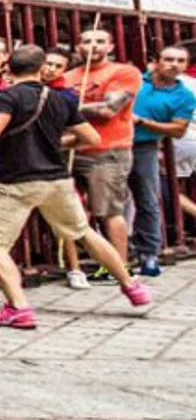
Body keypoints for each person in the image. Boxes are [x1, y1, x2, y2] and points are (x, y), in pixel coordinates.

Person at [0, 45, 150, 328]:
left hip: (18, 182)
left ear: (7, 68)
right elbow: (92, 138)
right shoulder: (62, 99)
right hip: (57, 181)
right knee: (83, 232)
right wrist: (56, 143)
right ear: (41, 69)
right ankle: (131, 286)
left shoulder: (6, 96)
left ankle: (18, 307)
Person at [71, 28, 143, 276]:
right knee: (77, 210)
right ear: (77, 46)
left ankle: (119, 265)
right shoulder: (70, 76)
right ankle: (99, 260)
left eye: (100, 41)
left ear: (111, 46)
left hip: (107, 149)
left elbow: (108, 110)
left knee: (108, 210)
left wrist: (71, 105)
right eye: (87, 41)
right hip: (71, 148)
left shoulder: (124, 72)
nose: (93, 46)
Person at [128, 44, 195, 276]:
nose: (174, 64)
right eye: (169, 59)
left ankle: (149, 254)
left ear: (186, 66)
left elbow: (178, 130)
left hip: (144, 146)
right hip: (112, 145)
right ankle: (117, 253)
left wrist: (143, 122)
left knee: (148, 199)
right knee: (112, 202)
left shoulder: (184, 95)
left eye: (180, 61)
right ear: (156, 61)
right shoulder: (134, 80)